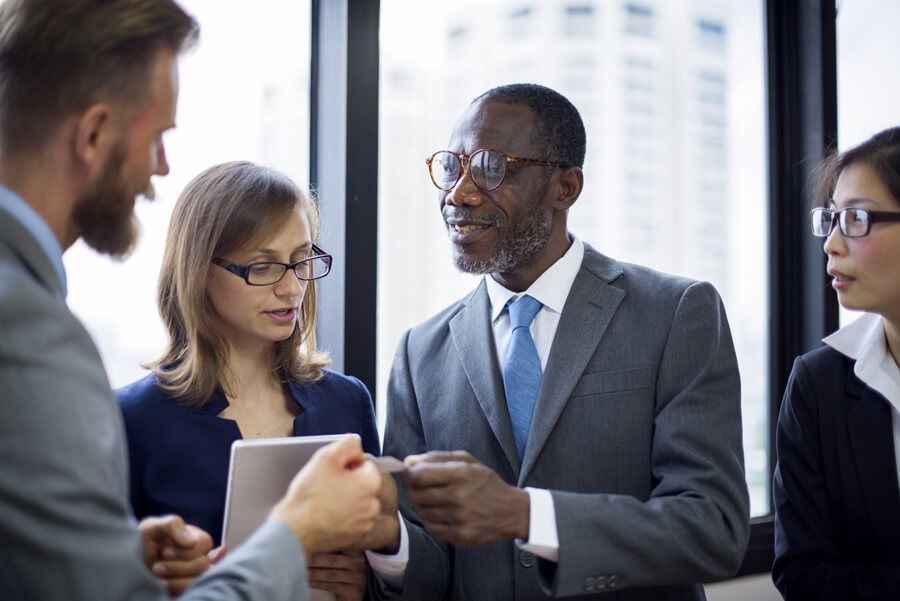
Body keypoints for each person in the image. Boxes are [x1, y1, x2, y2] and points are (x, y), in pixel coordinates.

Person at [0, 2, 382, 600]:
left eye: (301, 261)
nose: (161, 166)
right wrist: (293, 536)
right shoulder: (38, 337)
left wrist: (125, 559)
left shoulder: (346, 401)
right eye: (157, 137)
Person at [366, 83, 750, 600]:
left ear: (565, 188)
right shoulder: (419, 352)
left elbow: (713, 529)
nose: (459, 192)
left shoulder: (675, 313)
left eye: (490, 167)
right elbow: (429, 569)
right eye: (453, 168)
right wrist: (388, 541)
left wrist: (524, 516)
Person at [117, 160, 381, 599]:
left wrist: (366, 583)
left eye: (301, 261)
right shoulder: (129, 419)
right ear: (200, 270)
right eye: (263, 267)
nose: (292, 288)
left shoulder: (347, 402)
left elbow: (383, 552)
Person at [772, 126, 900, 600]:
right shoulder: (817, 384)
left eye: (856, 219)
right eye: (831, 219)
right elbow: (801, 573)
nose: (831, 244)